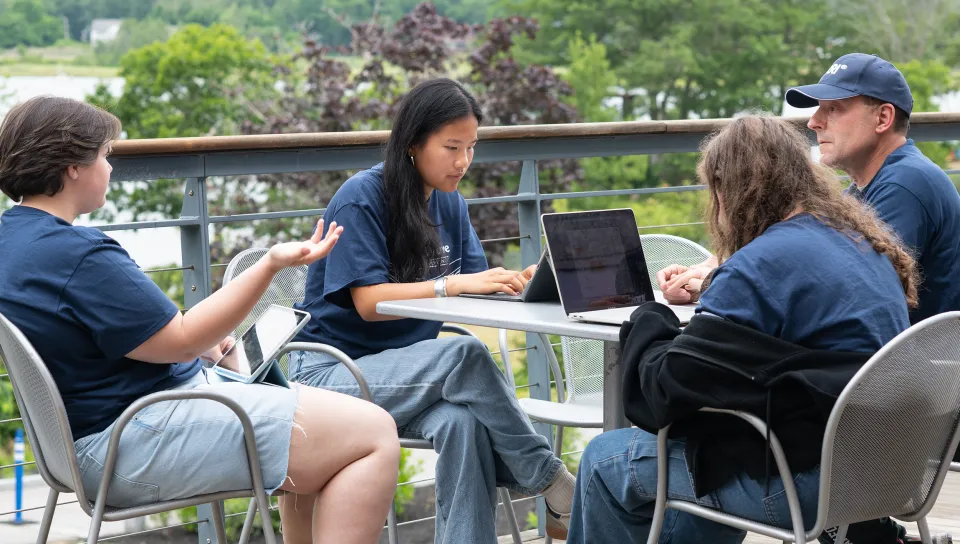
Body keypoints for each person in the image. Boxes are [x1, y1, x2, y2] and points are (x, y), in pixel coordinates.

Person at [0, 96, 400, 544]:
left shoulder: (11, 240)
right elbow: (184, 337)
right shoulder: (80, 254)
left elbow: (135, 335)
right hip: (128, 444)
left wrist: (201, 346)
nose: (110, 168)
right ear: (73, 166)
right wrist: (269, 265)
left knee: (330, 442)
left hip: (82, 445)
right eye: (104, 155)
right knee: (374, 433)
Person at [567, 115, 919, 543]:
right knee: (710, 446)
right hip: (885, 473)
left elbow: (665, 390)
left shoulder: (759, 264)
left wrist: (648, 317)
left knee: (605, 460)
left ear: (727, 189)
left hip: (808, 487)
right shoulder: (863, 243)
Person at [289, 78, 576, 543]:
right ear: (412, 145)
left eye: (471, 147)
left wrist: (515, 284)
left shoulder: (449, 202)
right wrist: (451, 284)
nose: (463, 162)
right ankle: (551, 483)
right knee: (464, 355)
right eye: (451, 147)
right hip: (331, 374)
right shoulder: (361, 198)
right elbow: (368, 304)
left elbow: (468, 290)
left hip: (407, 376)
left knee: (462, 425)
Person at [660, 53, 960, 329]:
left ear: (883, 118)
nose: (814, 122)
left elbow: (846, 289)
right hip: (889, 365)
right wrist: (703, 268)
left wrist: (714, 283)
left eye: (834, 109)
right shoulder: (870, 184)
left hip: (915, 376)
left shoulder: (904, 184)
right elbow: (807, 250)